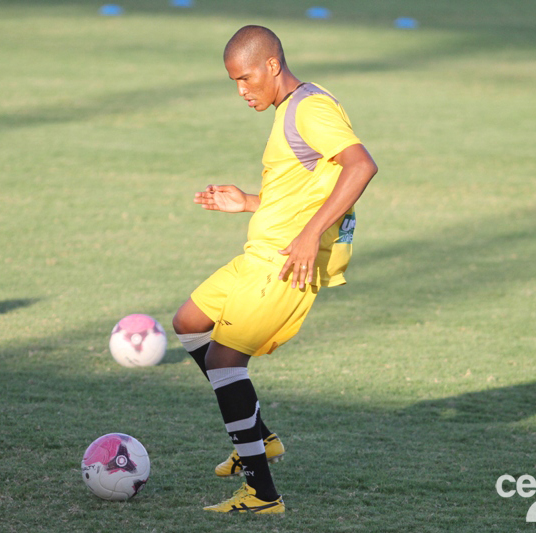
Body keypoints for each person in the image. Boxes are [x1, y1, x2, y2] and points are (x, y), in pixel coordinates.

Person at [172, 25, 378, 514]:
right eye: (233, 83)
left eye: (245, 78)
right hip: (258, 254)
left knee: (225, 361)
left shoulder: (311, 109)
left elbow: (361, 166)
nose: (241, 91)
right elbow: (301, 192)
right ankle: (259, 438)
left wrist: (308, 237)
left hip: (284, 265)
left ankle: (263, 495)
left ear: (271, 66)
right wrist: (248, 202)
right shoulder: (292, 107)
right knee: (188, 323)